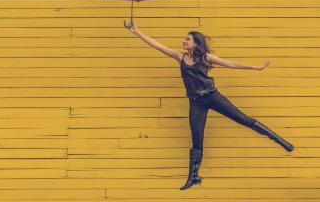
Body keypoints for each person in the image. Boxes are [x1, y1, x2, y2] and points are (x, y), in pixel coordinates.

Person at [123, 20, 294, 190]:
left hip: (212, 96)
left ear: (196, 43)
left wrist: (256, 68)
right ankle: (193, 177)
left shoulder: (206, 58)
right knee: (197, 139)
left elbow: (231, 64)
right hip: (196, 103)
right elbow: (157, 45)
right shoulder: (180, 56)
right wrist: (136, 30)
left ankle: (280, 140)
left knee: (243, 119)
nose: (184, 41)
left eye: (187, 39)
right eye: (184, 39)